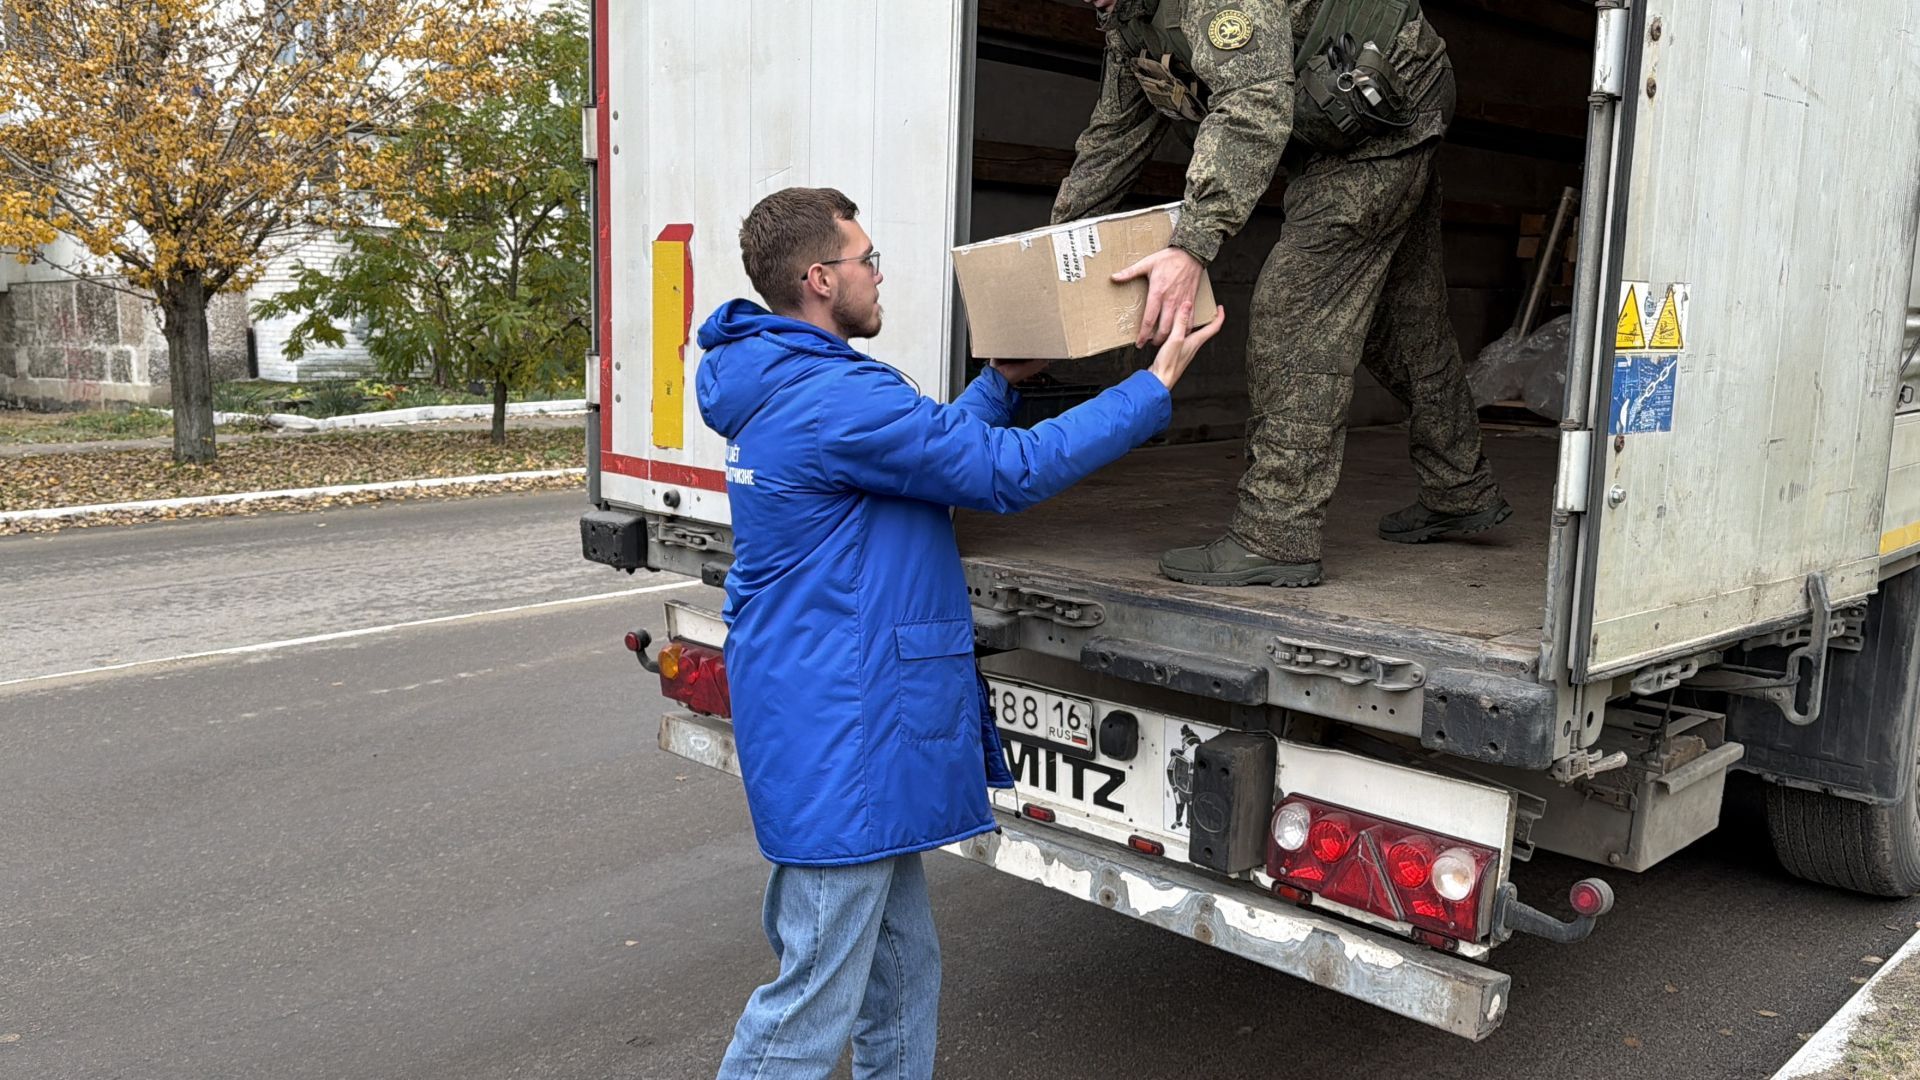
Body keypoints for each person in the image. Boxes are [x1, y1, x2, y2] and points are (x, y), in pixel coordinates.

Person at [697, 186, 1224, 1079]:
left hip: (839, 718)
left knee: (900, 979)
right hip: (845, 736)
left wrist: (999, 384)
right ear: (821, 279)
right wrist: (1152, 387)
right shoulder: (830, 398)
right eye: (868, 260)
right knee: (808, 1009)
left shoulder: (790, 382)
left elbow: (926, 452)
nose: (877, 274)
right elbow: (1003, 475)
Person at [1054, 0, 1510, 588]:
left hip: (1387, 111)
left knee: (1294, 315)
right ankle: (1460, 486)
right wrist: (1052, 253)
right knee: (1405, 321)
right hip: (1349, 119)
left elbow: (1253, 105)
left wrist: (1192, 243)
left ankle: (1276, 534)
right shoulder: (1127, 16)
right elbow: (1114, 136)